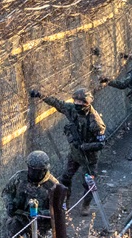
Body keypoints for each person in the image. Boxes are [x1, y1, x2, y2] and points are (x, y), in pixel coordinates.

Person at [28, 87, 106, 215]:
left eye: (81, 103)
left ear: (87, 103)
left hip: (89, 158)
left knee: (88, 184)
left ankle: (85, 206)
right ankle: (65, 203)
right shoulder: (71, 110)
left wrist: (85, 147)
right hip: (74, 155)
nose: (77, 104)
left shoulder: (95, 122)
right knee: (65, 179)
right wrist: (40, 95)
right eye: (76, 101)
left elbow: (101, 143)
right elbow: (57, 103)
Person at [0, 151, 58, 238]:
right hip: (20, 217)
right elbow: (6, 192)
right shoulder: (20, 177)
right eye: (31, 169)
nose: (33, 173)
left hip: (40, 223)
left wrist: (42, 213)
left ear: (44, 169)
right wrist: (9, 203)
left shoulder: (53, 186)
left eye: (37, 170)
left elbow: (60, 211)